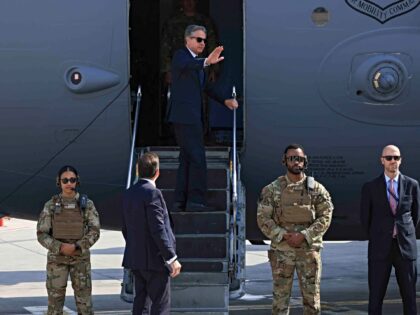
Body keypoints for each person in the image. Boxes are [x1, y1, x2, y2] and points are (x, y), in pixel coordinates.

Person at [167, 24, 238, 212]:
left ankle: (180, 201)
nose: (202, 43)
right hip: (184, 118)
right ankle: (196, 201)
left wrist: (225, 100)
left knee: (188, 159)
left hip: (193, 118)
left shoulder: (198, 64)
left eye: (204, 40)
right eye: (198, 39)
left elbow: (207, 87)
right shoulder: (181, 56)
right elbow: (187, 65)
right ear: (187, 40)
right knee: (197, 158)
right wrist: (207, 61)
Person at [257, 144, 334, 315]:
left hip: (308, 251)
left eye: (299, 158)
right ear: (284, 161)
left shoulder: (316, 189)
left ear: (304, 161)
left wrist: (304, 235)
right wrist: (283, 235)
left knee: (312, 301)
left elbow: (326, 216)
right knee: (280, 302)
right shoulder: (272, 189)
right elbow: (263, 218)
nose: (296, 162)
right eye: (292, 158)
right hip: (282, 253)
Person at [360, 144, 419, 315]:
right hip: (380, 249)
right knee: (376, 298)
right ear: (382, 161)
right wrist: (381, 234)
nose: (393, 161)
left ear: (401, 160)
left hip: (405, 249)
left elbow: (415, 216)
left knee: (409, 298)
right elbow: (365, 219)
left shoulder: (412, 185)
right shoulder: (370, 187)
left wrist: (402, 232)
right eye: (389, 158)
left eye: (396, 158)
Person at [122, 152, 182, 315]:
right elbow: (158, 228)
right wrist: (171, 257)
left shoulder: (129, 193)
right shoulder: (153, 193)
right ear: (157, 172)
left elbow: (126, 228)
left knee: (141, 303)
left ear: (137, 171)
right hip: (155, 262)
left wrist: (137, 248)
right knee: (160, 305)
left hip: (136, 259)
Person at [37, 165, 100, 315]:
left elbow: (95, 231)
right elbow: (41, 233)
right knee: (54, 305)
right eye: (65, 180)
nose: (69, 183)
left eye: (72, 180)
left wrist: (78, 246)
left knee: (85, 304)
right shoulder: (51, 205)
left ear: (77, 181)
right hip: (57, 260)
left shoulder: (87, 205)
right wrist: (60, 247)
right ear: (59, 182)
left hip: (80, 260)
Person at [160, 0, 218, 85]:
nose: (189, 2)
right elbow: (165, 47)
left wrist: (214, 69)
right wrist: (167, 70)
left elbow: (212, 45)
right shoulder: (172, 22)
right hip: (179, 69)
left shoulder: (204, 21)